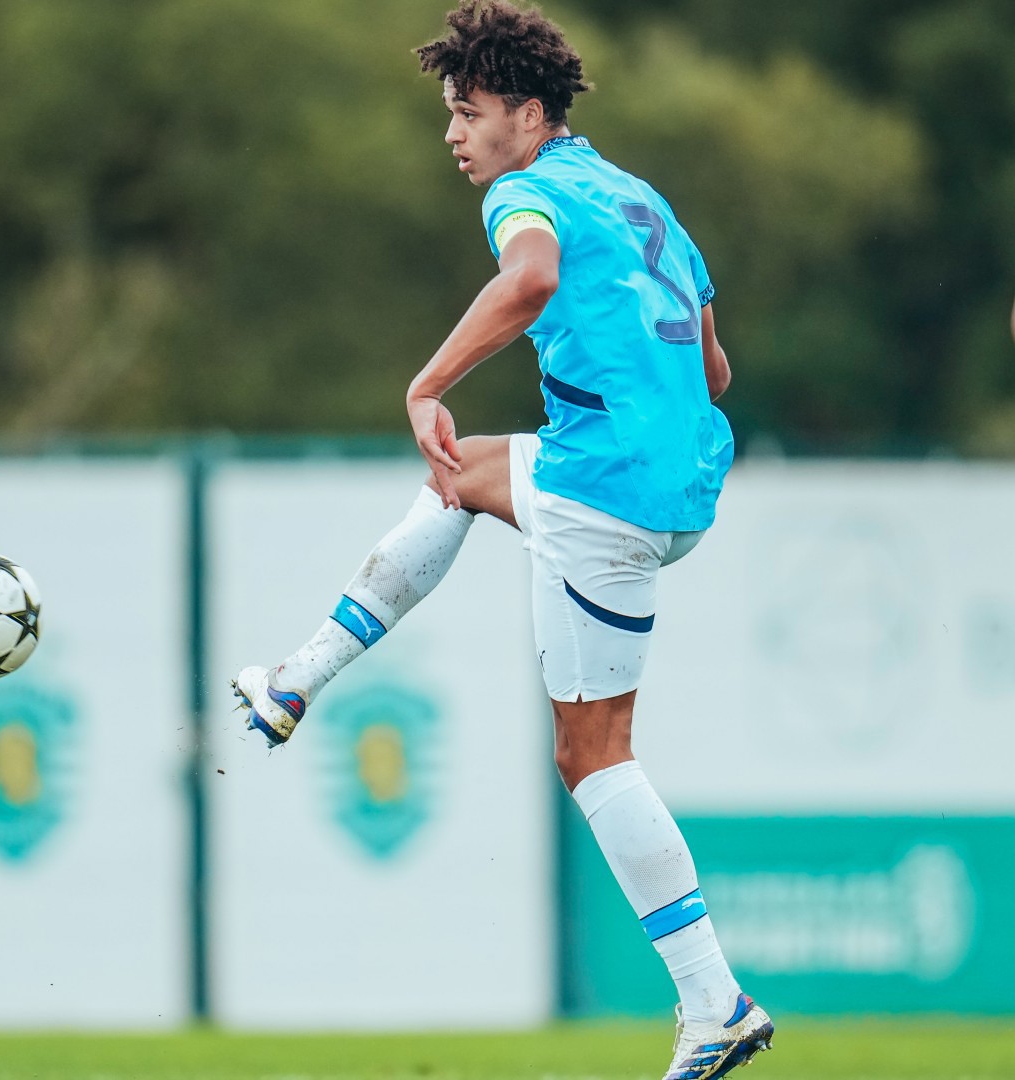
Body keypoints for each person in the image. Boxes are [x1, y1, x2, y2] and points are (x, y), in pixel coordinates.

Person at [230, 4, 772, 1077]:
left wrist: (426, 382)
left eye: (468, 113)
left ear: (528, 116)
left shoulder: (527, 194)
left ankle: (714, 1002)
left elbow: (529, 281)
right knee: (461, 477)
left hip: (604, 489)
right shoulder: (640, 196)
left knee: (593, 757)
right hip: (678, 486)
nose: (453, 134)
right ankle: (295, 681)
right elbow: (714, 371)